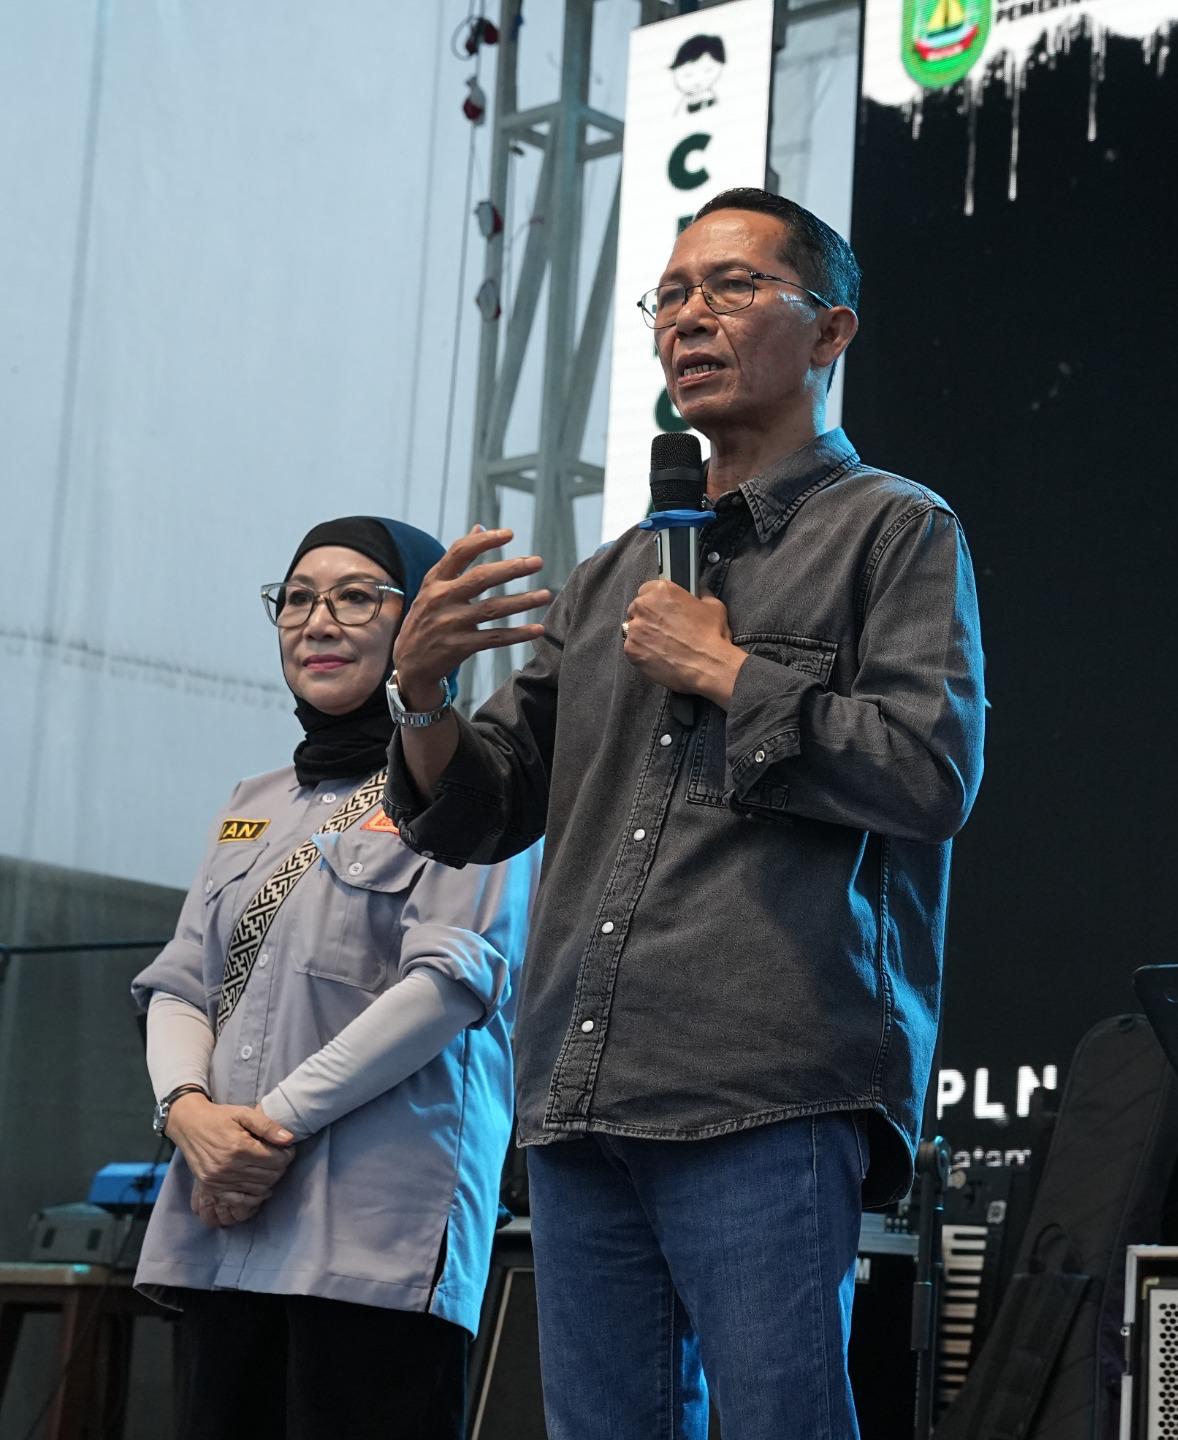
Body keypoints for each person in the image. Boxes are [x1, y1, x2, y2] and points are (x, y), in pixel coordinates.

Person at [383, 188, 988, 1440]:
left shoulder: (894, 529)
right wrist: (422, 691)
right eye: (668, 297)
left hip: (761, 1075)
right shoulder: (614, 573)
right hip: (582, 1084)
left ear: (831, 333)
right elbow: (483, 807)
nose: (687, 319)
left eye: (730, 287)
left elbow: (927, 772)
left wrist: (728, 671)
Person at [130, 517, 532, 1440]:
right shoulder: (252, 801)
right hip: (223, 1219)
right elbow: (181, 981)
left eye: (356, 597)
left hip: (373, 1235)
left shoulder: (482, 786)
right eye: (298, 598)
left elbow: (448, 985)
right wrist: (188, 1115)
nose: (318, 621)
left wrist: (263, 1132)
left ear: (421, 622)